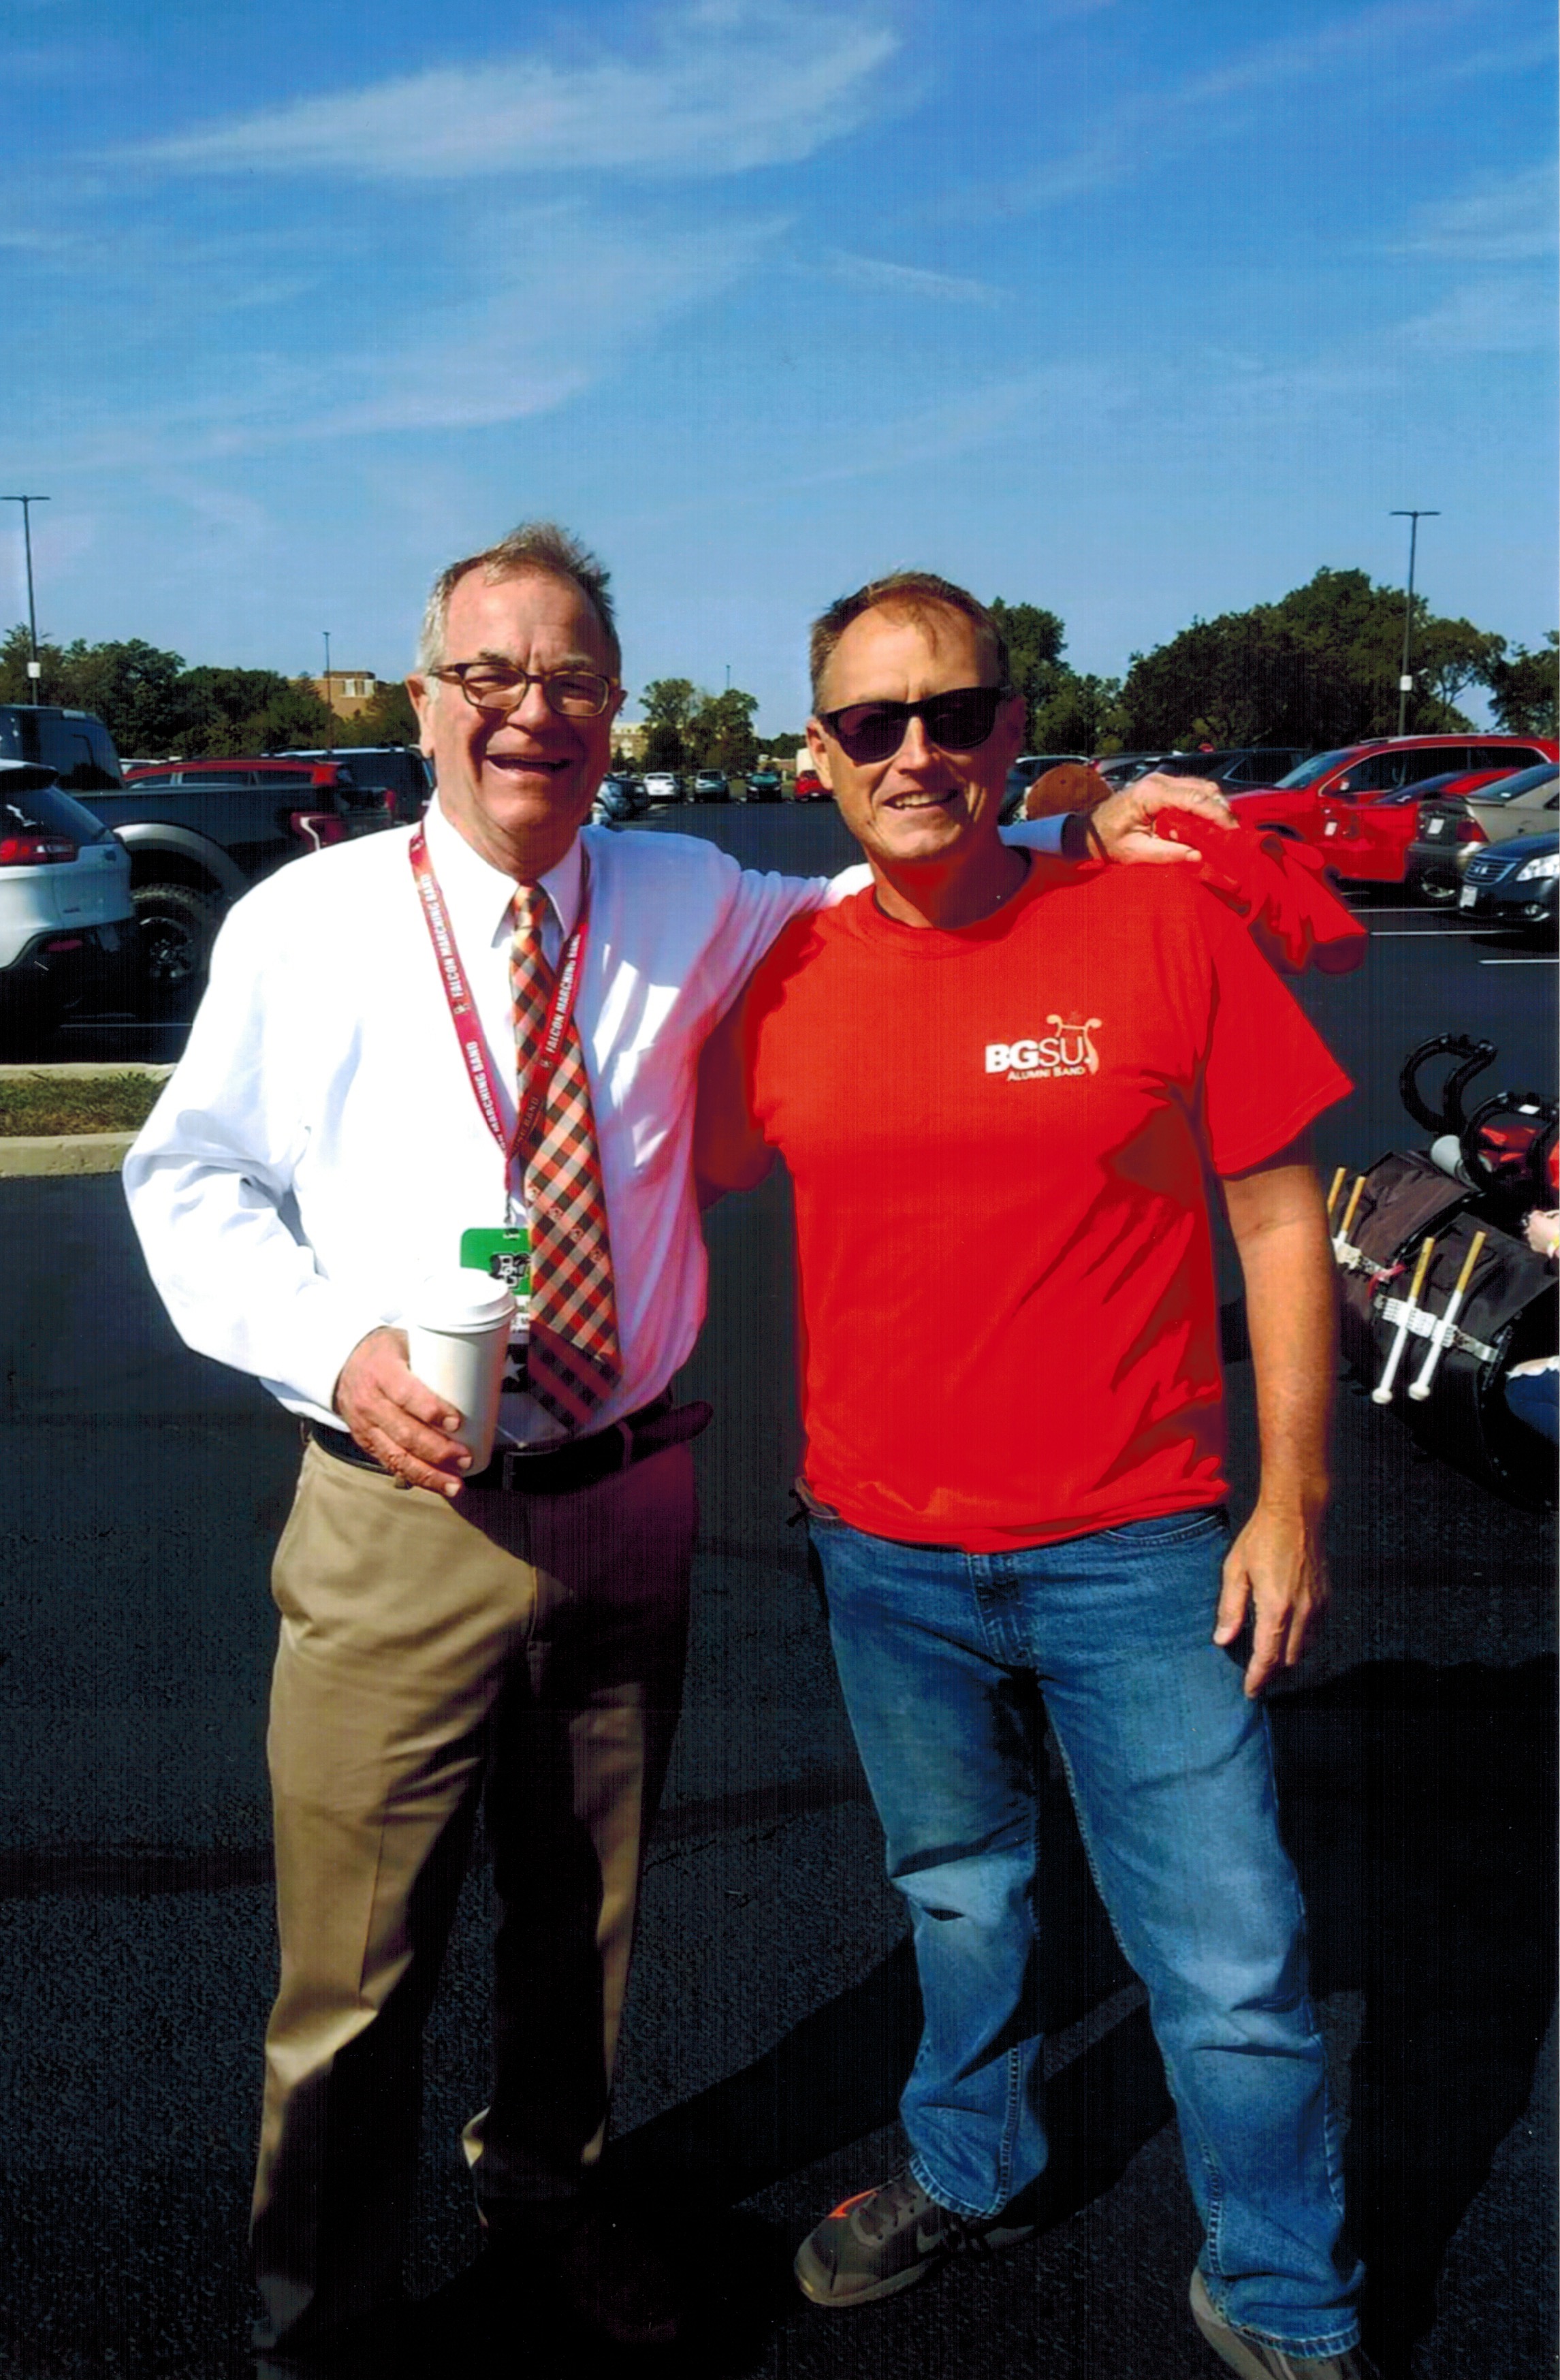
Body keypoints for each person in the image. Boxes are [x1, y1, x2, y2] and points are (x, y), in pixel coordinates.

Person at [121, 523, 1249, 2377]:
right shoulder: (305, 925)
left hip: (630, 1498)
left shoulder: (682, 895)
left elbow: (886, 887)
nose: (530, 712)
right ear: (424, 701)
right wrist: (334, 1343)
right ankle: (315, 2314)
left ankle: (547, 2202)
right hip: (403, 1507)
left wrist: (1068, 815)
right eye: (489, 675)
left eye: (569, 679)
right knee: (355, 1967)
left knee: (583, 1926)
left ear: (615, 712)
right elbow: (190, 1184)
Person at [695, 570, 1380, 2380]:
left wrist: (1290, 1498)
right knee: (958, 1891)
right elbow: (626, 1166)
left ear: (1014, 726)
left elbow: (1277, 1217)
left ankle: (1282, 2294)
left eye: (955, 714)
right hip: (883, 1555)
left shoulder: (1151, 934)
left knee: (1228, 1961)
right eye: (871, 722)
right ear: (815, 752)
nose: (916, 752)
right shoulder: (786, 975)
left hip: (1141, 1551)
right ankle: (972, 2162)